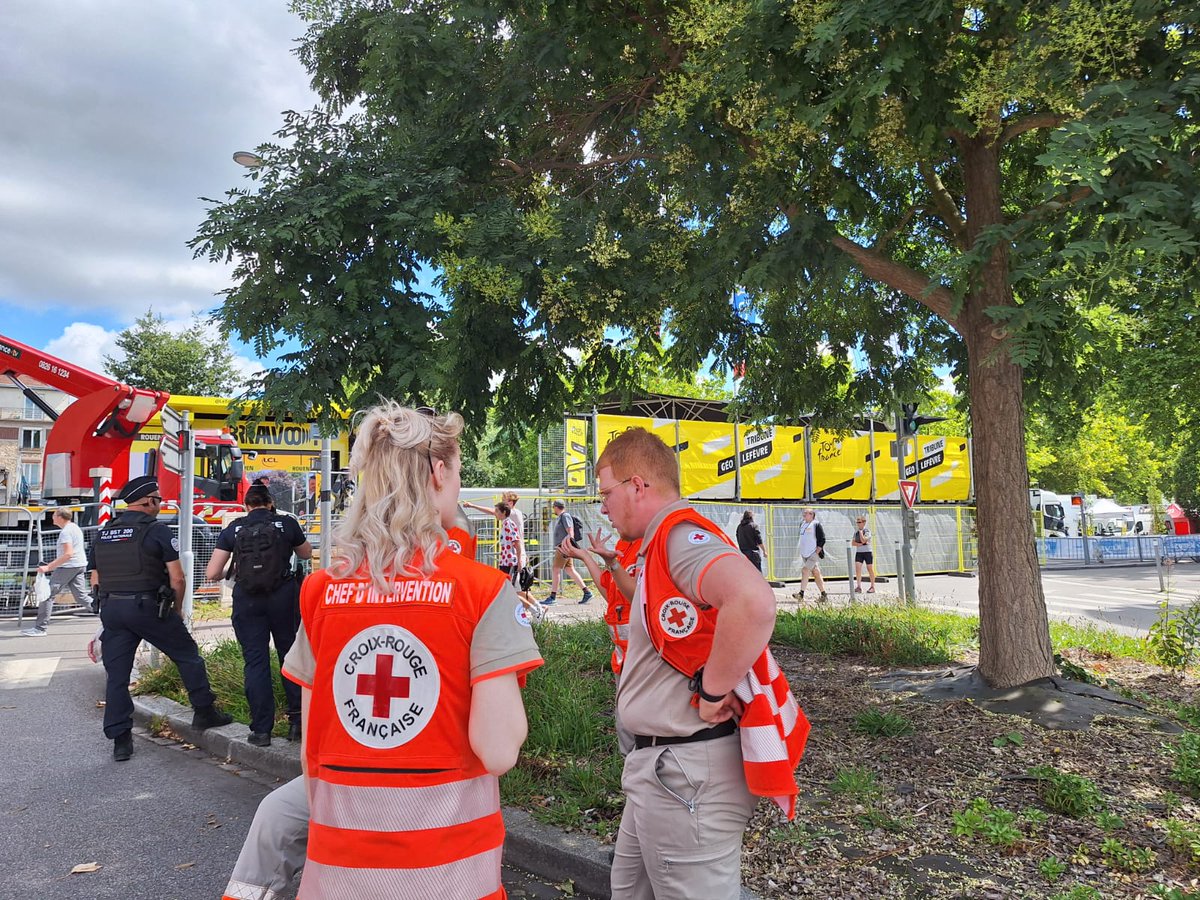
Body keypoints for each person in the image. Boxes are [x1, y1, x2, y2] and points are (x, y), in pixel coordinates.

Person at [276, 401, 543, 897]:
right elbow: (499, 750)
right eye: (458, 472)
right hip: (449, 870)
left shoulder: (320, 591)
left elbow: (312, 749)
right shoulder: (479, 590)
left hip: (340, 868)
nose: (458, 485)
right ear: (438, 472)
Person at [221, 511, 486, 900]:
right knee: (275, 816)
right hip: (354, 765)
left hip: (426, 773)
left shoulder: (461, 587)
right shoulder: (340, 592)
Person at [595, 428, 809, 899]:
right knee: (631, 889)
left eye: (606, 493)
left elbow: (753, 602)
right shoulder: (661, 543)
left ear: (637, 485)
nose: (603, 507)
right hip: (663, 769)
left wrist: (712, 691)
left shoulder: (678, 537)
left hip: (683, 772)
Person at [89, 475, 232, 762]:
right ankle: (204, 712)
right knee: (188, 656)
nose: (160, 505)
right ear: (149, 502)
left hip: (113, 610)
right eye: (158, 500)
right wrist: (177, 609)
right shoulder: (158, 531)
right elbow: (177, 578)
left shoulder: (105, 532)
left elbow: (95, 577)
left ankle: (121, 740)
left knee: (117, 677)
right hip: (149, 608)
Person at [206, 484, 313, 747]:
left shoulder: (234, 528)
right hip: (283, 598)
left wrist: (231, 571)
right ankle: (297, 723)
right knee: (290, 657)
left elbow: (212, 573)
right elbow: (306, 553)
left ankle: (261, 730)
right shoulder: (286, 523)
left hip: (248, 602)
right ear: (271, 503)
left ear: (246, 506)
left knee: (255, 662)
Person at [558, 528, 640, 753]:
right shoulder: (624, 545)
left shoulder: (652, 546)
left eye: (608, 499)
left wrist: (611, 564)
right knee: (625, 720)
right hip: (623, 658)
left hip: (647, 659)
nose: (605, 510)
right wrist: (587, 556)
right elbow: (609, 591)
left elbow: (642, 598)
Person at [24, 508, 95, 635]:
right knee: (81, 597)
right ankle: (105, 612)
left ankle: (40, 628)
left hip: (67, 567)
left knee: (48, 595)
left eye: (54, 515)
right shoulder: (74, 527)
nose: (52, 517)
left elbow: (68, 554)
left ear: (60, 517)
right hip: (79, 564)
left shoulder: (66, 532)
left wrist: (49, 567)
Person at [543, 499, 592, 606]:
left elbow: (570, 532)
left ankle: (552, 597)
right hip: (564, 547)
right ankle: (587, 592)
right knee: (570, 570)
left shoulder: (565, 516)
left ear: (556, 507)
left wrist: (565, 546)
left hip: (563, 547)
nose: (553, 509)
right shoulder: (562, 517)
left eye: (553, 507)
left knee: (556, 569)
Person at [462, 491, 527, 568]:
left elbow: (493, 511)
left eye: (503, 501)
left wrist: (472, 505)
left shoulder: (513, 514)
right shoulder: (510, 517)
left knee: (514, 578)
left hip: (514, 556)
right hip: (511, 555)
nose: (501, 503)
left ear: (511, 503)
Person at [494, 501, 533, 607]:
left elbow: (517, 542)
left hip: (510, 562)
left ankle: (535, 609)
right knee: (513, 590)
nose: (495, 513)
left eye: (497, 511)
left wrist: (520, 560)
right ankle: (536, 608)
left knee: (512, 590)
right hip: (506, 561)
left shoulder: (508, 523)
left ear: (504, 512)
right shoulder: (505, 523)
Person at [792, 507, 828, 603]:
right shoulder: (803, 524)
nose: (804, 515)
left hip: (813, 553)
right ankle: (824, 595)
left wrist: (817, 551)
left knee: (805, 570)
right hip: (805, 554)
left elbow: (823, 539)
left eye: (806, 513)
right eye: (803, 513)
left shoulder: (816, 524)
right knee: (816, 573)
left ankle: (801, 594)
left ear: (812, 515)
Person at [852, 515, 877, 593]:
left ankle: (872, 586)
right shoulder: (855, 532)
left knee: (870, 568)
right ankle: (859, 586)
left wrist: (861, 533)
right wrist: (859, 544)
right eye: (857, 522)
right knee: (857, 568)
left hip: (867, 552)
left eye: (860, 522)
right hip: (859, 552)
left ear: (864, 523)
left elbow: (863, 540)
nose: (858, 524)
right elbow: (853, 543)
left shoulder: (867, 531)